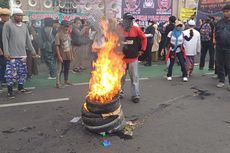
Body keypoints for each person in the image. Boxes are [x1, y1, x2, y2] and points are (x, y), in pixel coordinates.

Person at [2, 8, 39, 98]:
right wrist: (6, 52)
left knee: (22, 73)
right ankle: (10, 91)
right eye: (17, 15)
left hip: (23, 55)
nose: (19, 17)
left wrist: (33, 51)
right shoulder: (7, 24)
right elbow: (5, 39)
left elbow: (28, 40)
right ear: (13, 16)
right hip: (12, 55)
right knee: (11, 74)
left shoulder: (24, 26)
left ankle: (21, 88)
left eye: (21, 15)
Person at [120, 13, 147, 103]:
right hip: (121, 60)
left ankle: (135, 95)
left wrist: (142, 50)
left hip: (133, 59)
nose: (130, 21)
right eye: (128, 19)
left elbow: (144, 38)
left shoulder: (136, 29)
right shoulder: (118, 29)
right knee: (120, 78)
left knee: (134, 78)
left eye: (131, 19)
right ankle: (120, 92)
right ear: (124, 20)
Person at [215, 4, 230, 90]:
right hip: (219, 46)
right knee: (219, 64)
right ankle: (221, 80)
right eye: (224, 12)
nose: (225, 13)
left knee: (229, 66)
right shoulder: (219, 22)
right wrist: (214, 39)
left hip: (229, 48)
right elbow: (215, 31)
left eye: (227, 11)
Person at [55, 20, 73, 88]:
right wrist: (59, 56)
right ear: (61, 26)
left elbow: (70, 45)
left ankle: (66, 80)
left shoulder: (68, 34)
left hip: (68, 55)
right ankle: (58, 83)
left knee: (67, 68)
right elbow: (57, 46)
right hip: (61, 55)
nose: (67, 28)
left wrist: (72, 55)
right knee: (59, 69)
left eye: (68, 26)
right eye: (65, 26)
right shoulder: (58, 35)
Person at [0, 8, 10, 89]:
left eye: (8, 16)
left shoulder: (8, 25)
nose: (7, 17)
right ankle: (3, 81)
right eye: (6, 16)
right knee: (4, 65)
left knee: (8, 65)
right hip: (2, 49)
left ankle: (7, 80)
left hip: (8, 49)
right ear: (1, 16)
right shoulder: (0, 25)